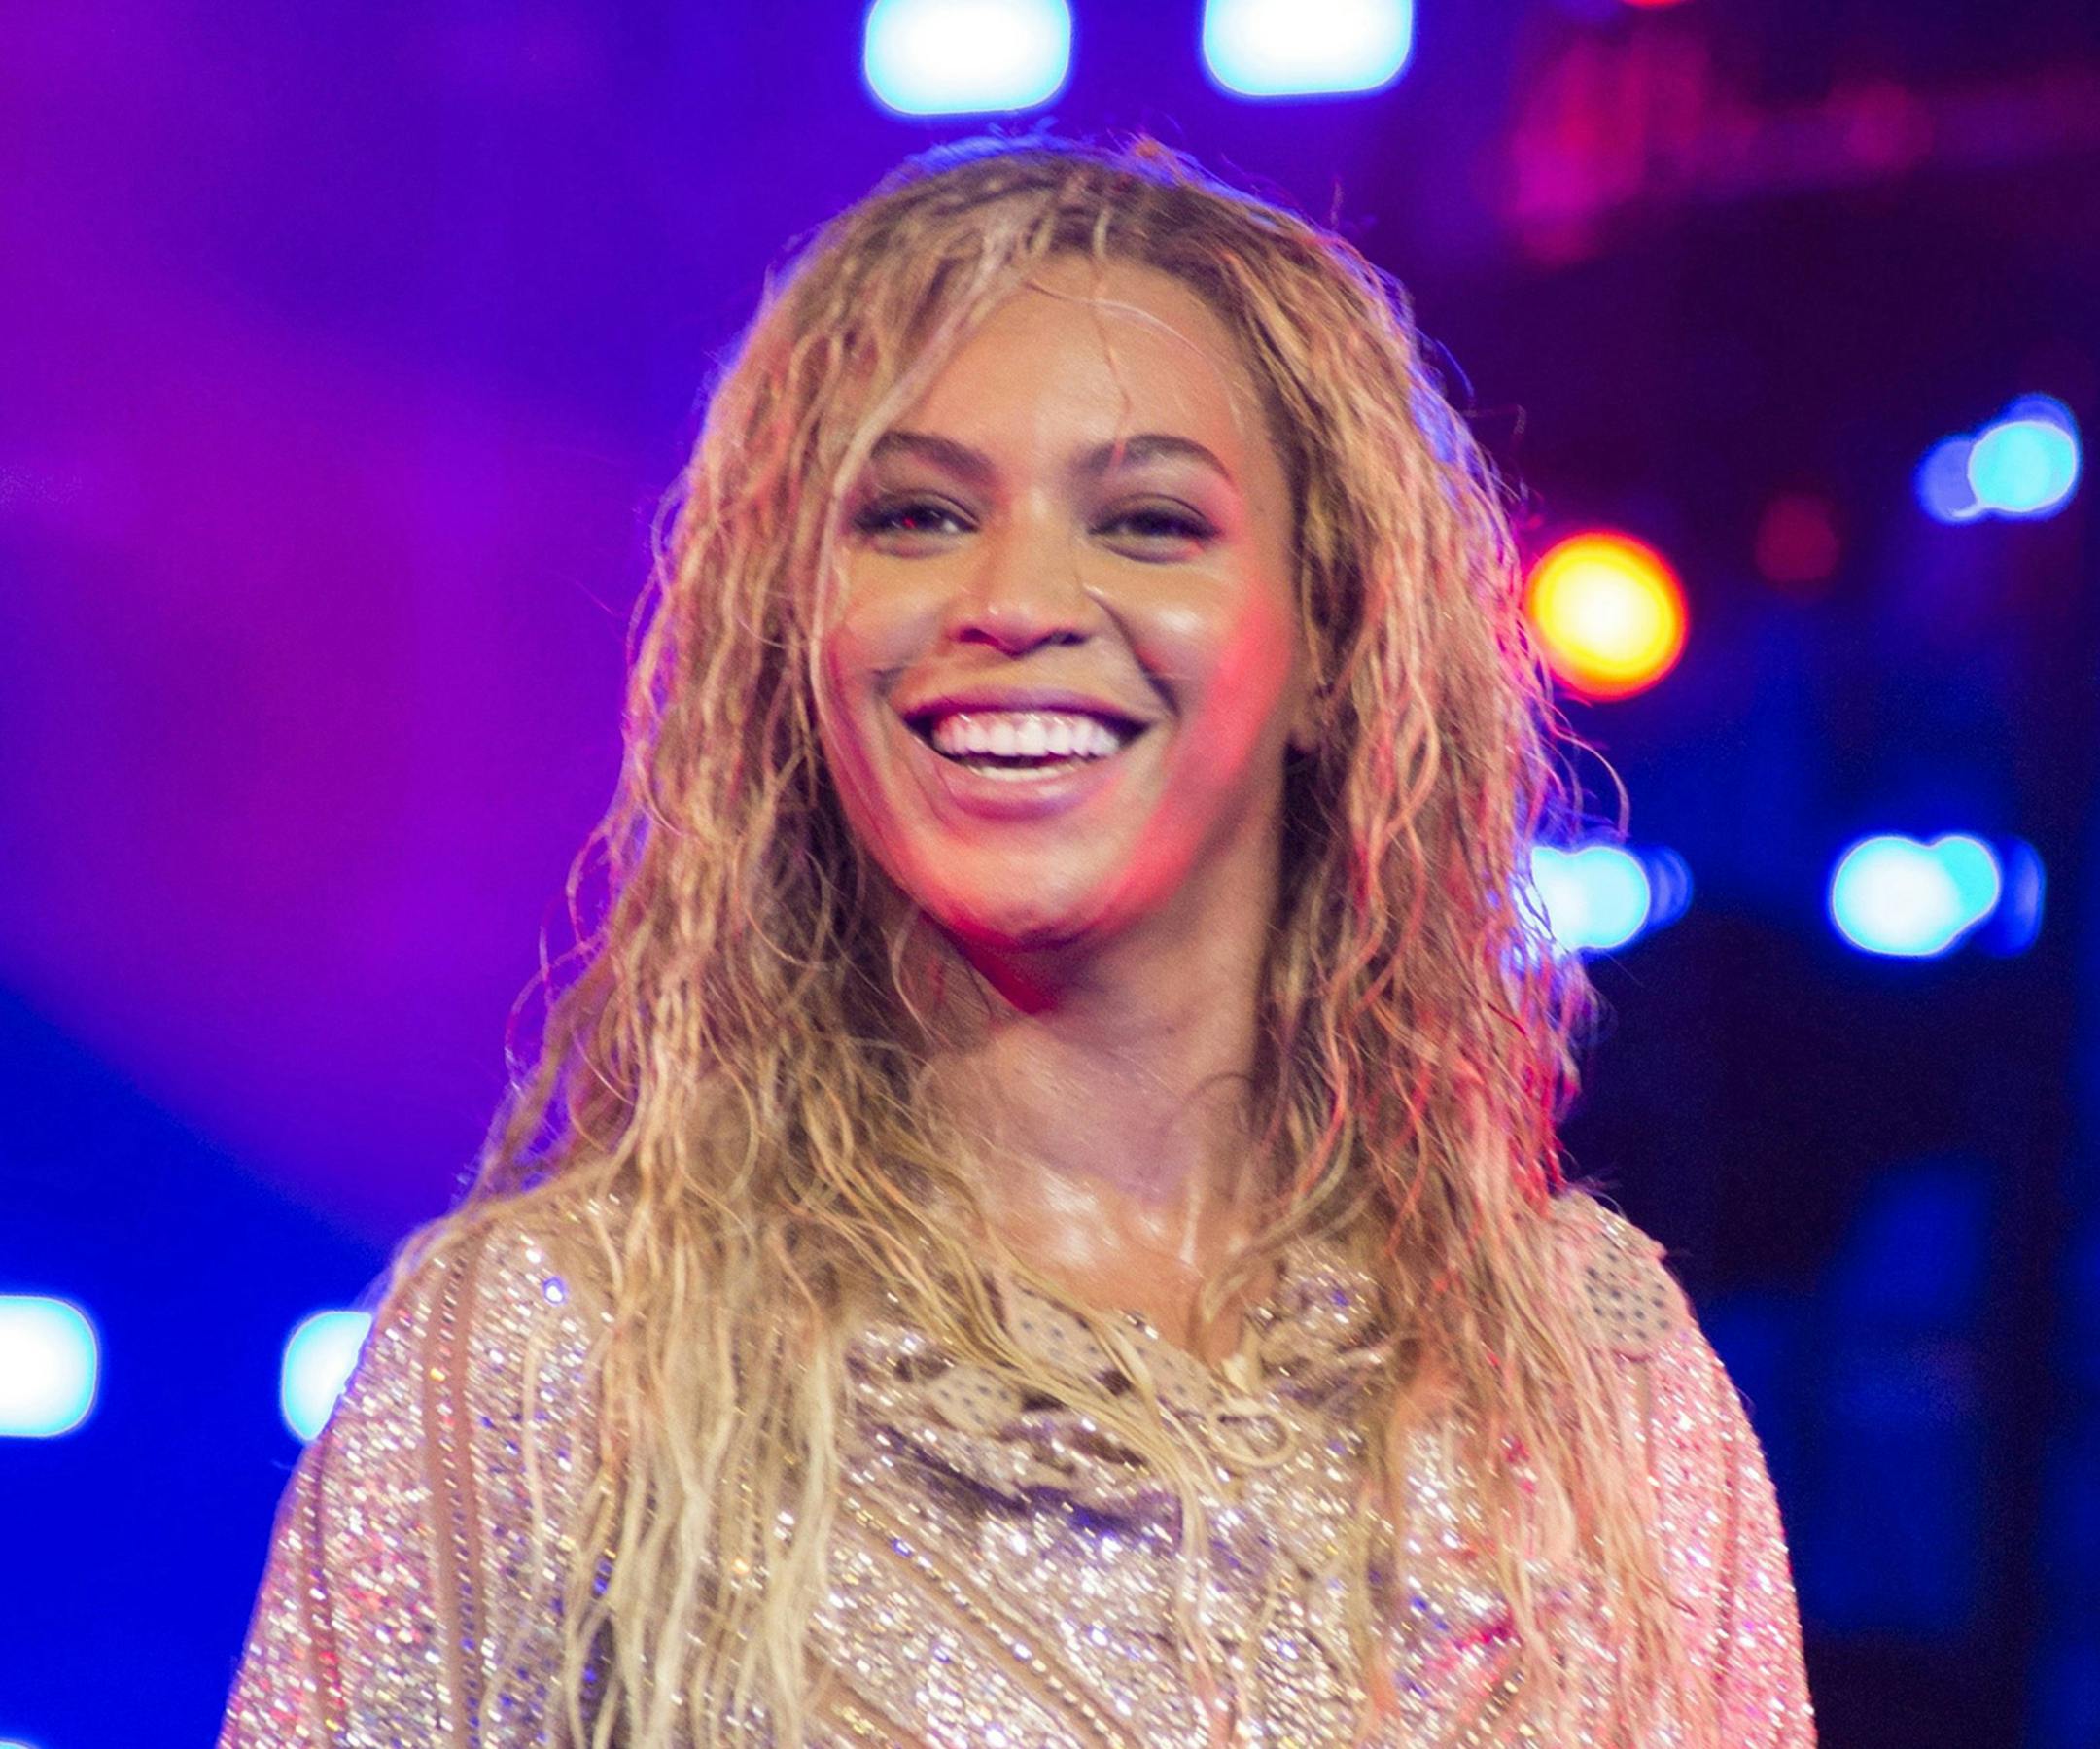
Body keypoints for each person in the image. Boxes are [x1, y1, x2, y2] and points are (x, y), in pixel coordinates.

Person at [218, 135, 1813, 1748]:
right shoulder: (564, 1347)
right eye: (914, 514)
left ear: (1332, 637)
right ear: (798, 629)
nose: (1013, 599)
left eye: (1147, 521)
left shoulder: (1585, 1372)